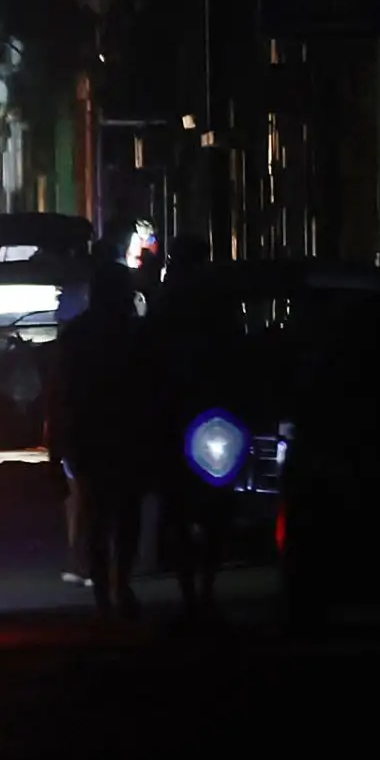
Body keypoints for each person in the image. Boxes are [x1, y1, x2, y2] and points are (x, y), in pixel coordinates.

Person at [145, 234, 243, 618]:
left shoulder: (174, 303)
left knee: (185, 506)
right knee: (209, 504)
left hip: (188, 414)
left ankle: (195, 586)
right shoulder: (212, 302)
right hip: (203, 413)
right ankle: (200, 585)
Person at [48, 261, 147, 618]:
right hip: (122, 434)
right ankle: (118, 587)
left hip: (90, 434)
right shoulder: (135, 334)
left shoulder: (77, 334)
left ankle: (107, 592)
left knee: (98, 515)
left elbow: (58, 394)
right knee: (123, 515)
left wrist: (56, 445)